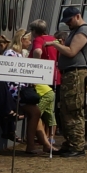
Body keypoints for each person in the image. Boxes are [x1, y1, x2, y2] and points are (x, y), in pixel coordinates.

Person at [44, 6, 87, 158]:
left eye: (69, 20)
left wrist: (54, 44)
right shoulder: (76, 31)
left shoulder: (84, 31)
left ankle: (77, 146)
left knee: (74, 109)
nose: (67, 24)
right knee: (65, 109)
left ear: (78, 16)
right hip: (70, 74)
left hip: (76, 75)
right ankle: (70, 143)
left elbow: (72, 52)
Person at [29, 19, 58, 150]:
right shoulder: (53, 39)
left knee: (37, 111)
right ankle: (49, 138)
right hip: (54, 76)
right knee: (50, 111)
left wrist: (36, 66)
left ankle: (36, 140)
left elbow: (38, 52)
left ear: (35, 31)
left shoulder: (38, 39)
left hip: (41, 77)